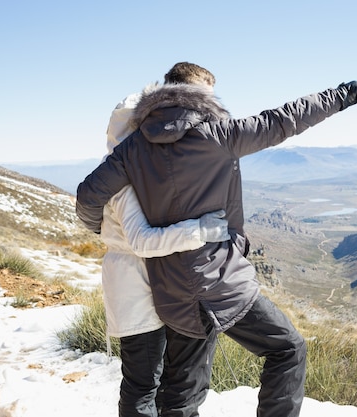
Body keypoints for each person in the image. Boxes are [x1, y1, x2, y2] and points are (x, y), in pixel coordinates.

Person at [76, 62, 357, 417]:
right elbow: (282, 120)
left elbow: (87, 197)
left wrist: (100, 229)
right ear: (200, 94)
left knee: (181, 394)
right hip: (218, 280)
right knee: (287, 349)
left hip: (171, 290)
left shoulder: (132, 148)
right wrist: (342, 95)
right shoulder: (218, 134)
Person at [101, 88, 230, 417]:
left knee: (170, 381)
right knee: (142, 383)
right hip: (134, 283)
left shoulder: (140, 168)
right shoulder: (122, 174)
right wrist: (201, 230)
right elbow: (141, 241)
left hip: (157, 283)